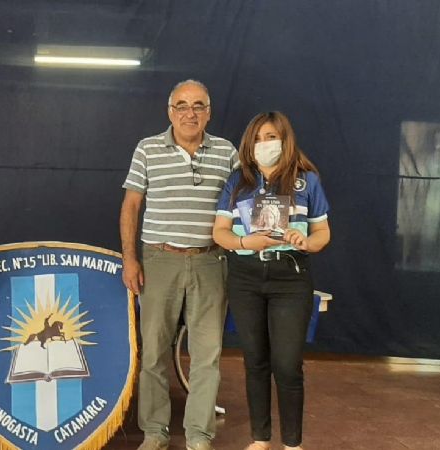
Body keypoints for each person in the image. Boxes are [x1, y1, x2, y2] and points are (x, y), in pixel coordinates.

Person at [120, 79, 239, 450]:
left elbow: (246, 202)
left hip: (210, 262)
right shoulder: (147, 149)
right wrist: (130, 259)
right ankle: (155, 433)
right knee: (153, 352)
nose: (190, 113)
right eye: (182, 106)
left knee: (207, 356)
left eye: (198, 106)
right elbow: (131, 206)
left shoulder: (227, 152)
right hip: (159, 261)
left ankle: (199, 436)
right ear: (170, 111)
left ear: (209, 112)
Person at [212, 111, 330, 450]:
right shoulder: (238, 182)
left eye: (271, 137)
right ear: (249, 144)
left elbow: (323, 232)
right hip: (246, 277)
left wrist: (306, 241)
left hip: (290, 277)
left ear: (285, 140)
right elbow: (219, 231)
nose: (265, 145)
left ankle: (292, 443)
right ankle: (260, 438)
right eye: (259, 139)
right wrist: (243, 242)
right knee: (255, 360)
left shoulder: (306, 180)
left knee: (288, 364)